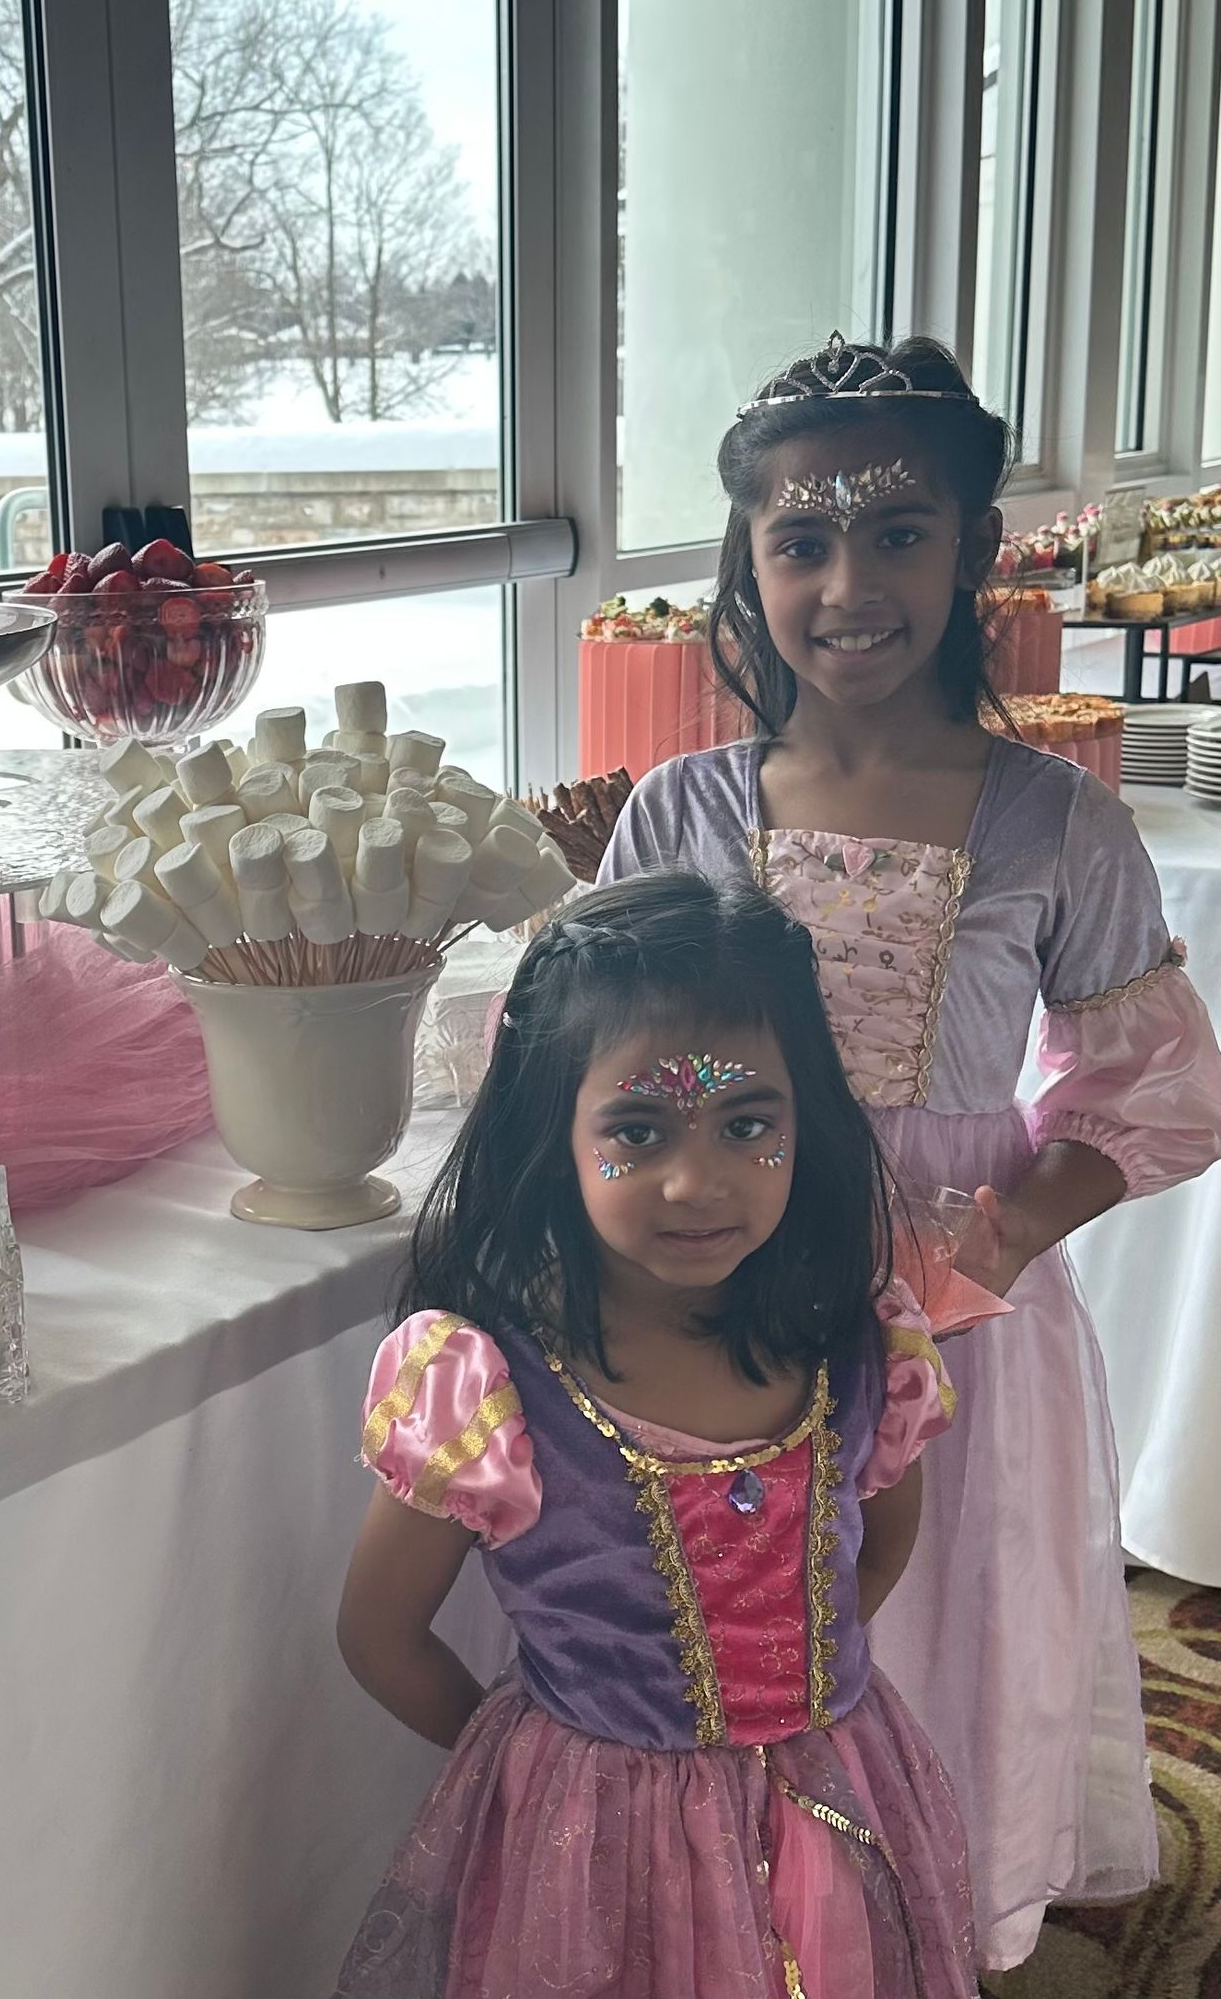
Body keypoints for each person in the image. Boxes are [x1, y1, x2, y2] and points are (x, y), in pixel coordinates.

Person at [597, 330, 1221, 1973]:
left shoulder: (1053, 823)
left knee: (938, 1632)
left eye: (895, 534)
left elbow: (1148, 1091)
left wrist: (995, 1248)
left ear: (973, 553)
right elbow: (614, 1063)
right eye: (801, 540)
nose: (847, 584)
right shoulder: (679, 815)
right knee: (743, 1629)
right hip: (727, 1304)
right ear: (749, 559)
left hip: (954, 1320)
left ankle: (918, 1920)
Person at [332, 875, 974, 1999]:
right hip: (592, 1845)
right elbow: (379, 1633)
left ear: (803, 1118)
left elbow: (874, 1550)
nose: (698, 1179)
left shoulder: (860, 1342)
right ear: (556, 1128)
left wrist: (794, 1684)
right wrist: (530, 1768)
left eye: (747, 1122)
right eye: (637, 1127)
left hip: (836, 1793)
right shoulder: (488, 1384)